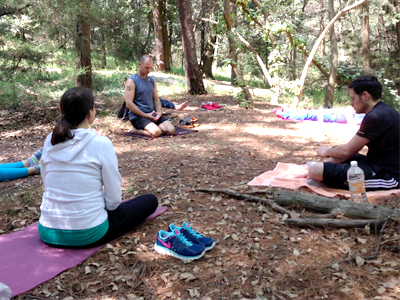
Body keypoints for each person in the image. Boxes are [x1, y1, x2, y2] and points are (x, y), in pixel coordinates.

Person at [38, 87, 158, 248]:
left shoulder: (50, 140)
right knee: (150, 201)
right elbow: (114, 198)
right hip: (89, 233)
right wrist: (101, 207)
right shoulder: (100, 143)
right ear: (89, 113)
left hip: (47, 230)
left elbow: (47, 181)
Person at [298, 76, 399, 191]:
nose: (351, 103)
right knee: (334, 153)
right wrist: (330, 153)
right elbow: (348, 151)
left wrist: (326, 151)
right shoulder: (382, 111)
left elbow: (347, 150)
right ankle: (322, 176)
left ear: (365, 96)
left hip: (388, 177)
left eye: (353, 99)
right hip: (372, 164)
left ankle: (322, 176)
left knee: (316, 169)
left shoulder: (376, 116)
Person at [124, 55, 176, 138]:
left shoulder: (152, 81)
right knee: (156, 133)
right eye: (146, 67)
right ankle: (136, 130)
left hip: (152, 114)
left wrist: (159, 113)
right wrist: (145, 115)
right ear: (140, 65)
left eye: (150, 68)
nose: (148, 70)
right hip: (138, 116)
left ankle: (154, 126)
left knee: (171, 130)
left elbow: (156, 99)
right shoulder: (131, 81)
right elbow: (129, 103)